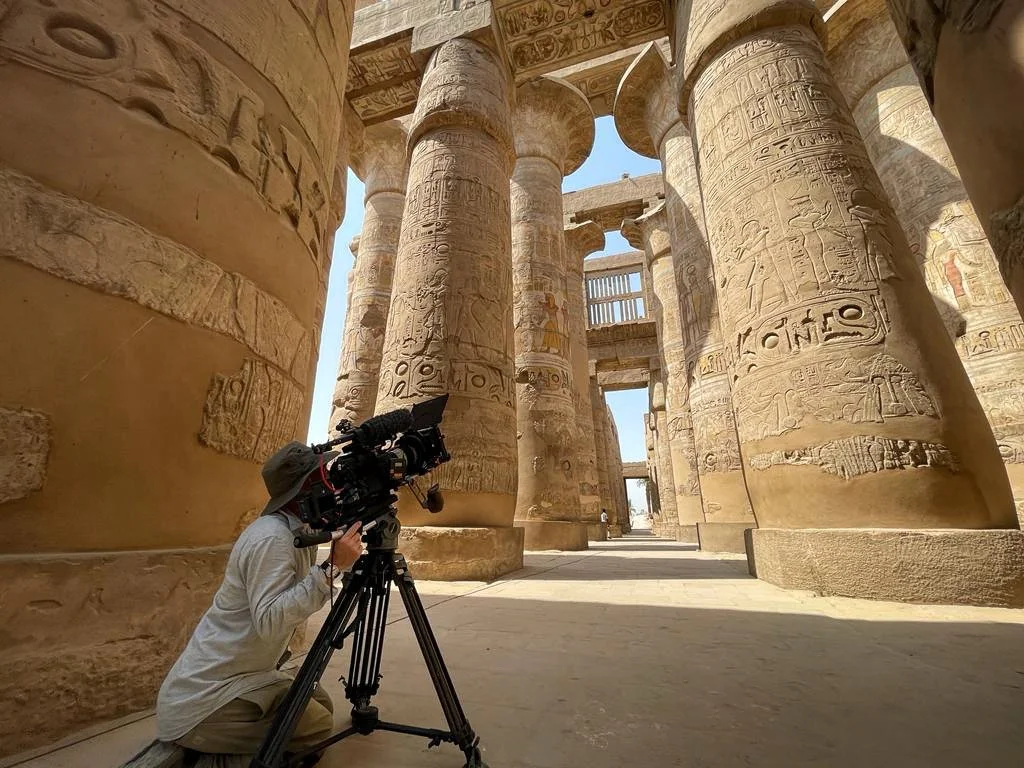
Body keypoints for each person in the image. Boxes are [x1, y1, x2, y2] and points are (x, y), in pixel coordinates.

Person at [155, 441, 365, 758]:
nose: (332, 482)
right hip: (203, 700)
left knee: (318, 702)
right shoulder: (273, 538)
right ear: (305, 487)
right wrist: (331, 569)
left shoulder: (297, 529)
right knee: (317, 726)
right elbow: (269, 622)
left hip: (246, 675)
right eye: (324, 474)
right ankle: (203, 752)